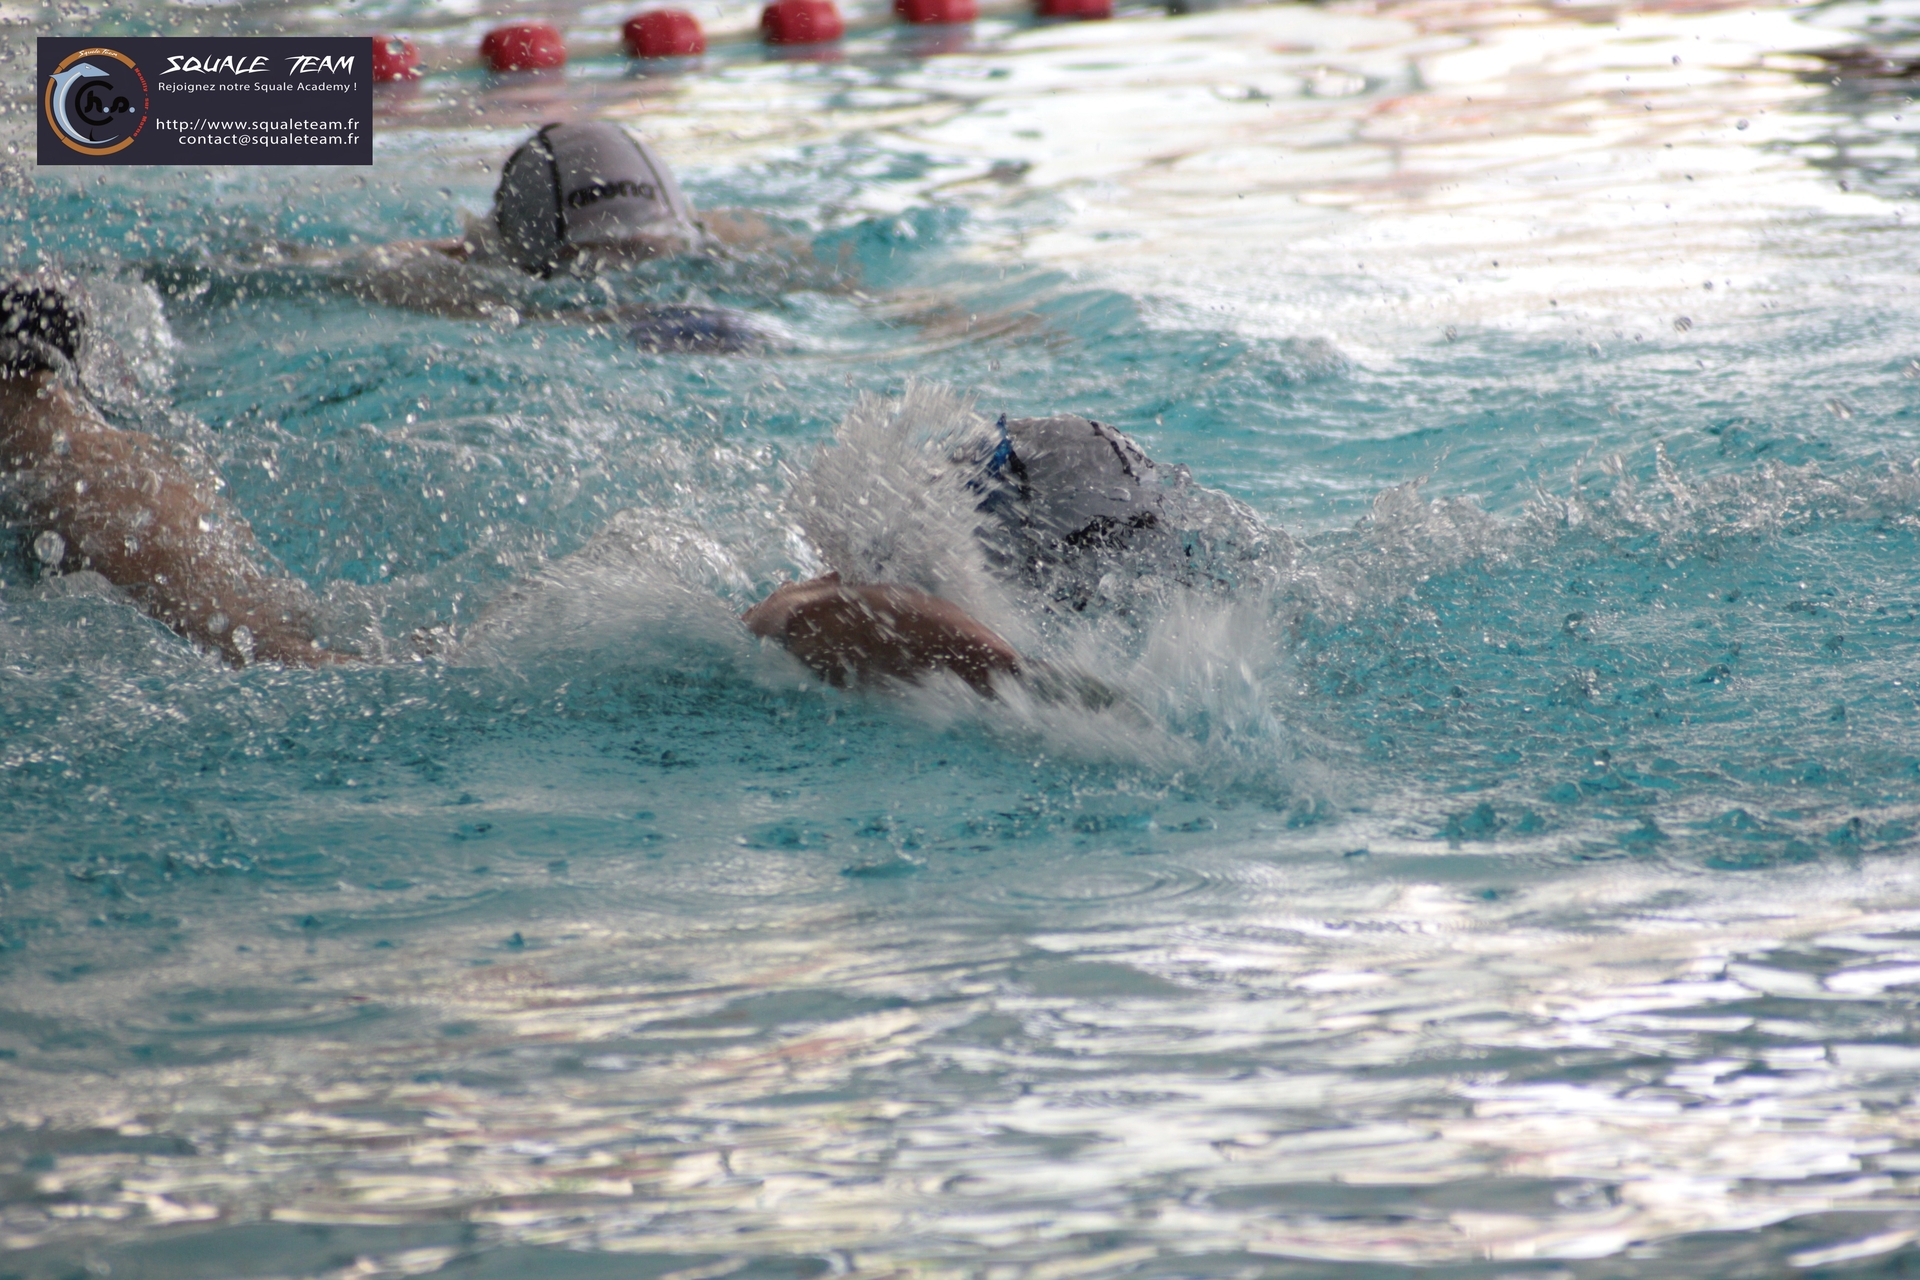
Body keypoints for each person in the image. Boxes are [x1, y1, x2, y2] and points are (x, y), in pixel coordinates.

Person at [0, 278, 1024, 686]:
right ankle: (41, 420)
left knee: (291, 645)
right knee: (288, 655)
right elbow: (824, 613)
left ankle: (43, 419)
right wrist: (1052, 692)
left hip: (528, 655)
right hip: (503, 663)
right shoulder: (803, 613)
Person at [241, 121, 838, 352]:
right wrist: (599, 317)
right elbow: (377, 274)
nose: (628, 270)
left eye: (648, 251)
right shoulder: (460, 279)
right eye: (595, 257)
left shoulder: (738, 243)